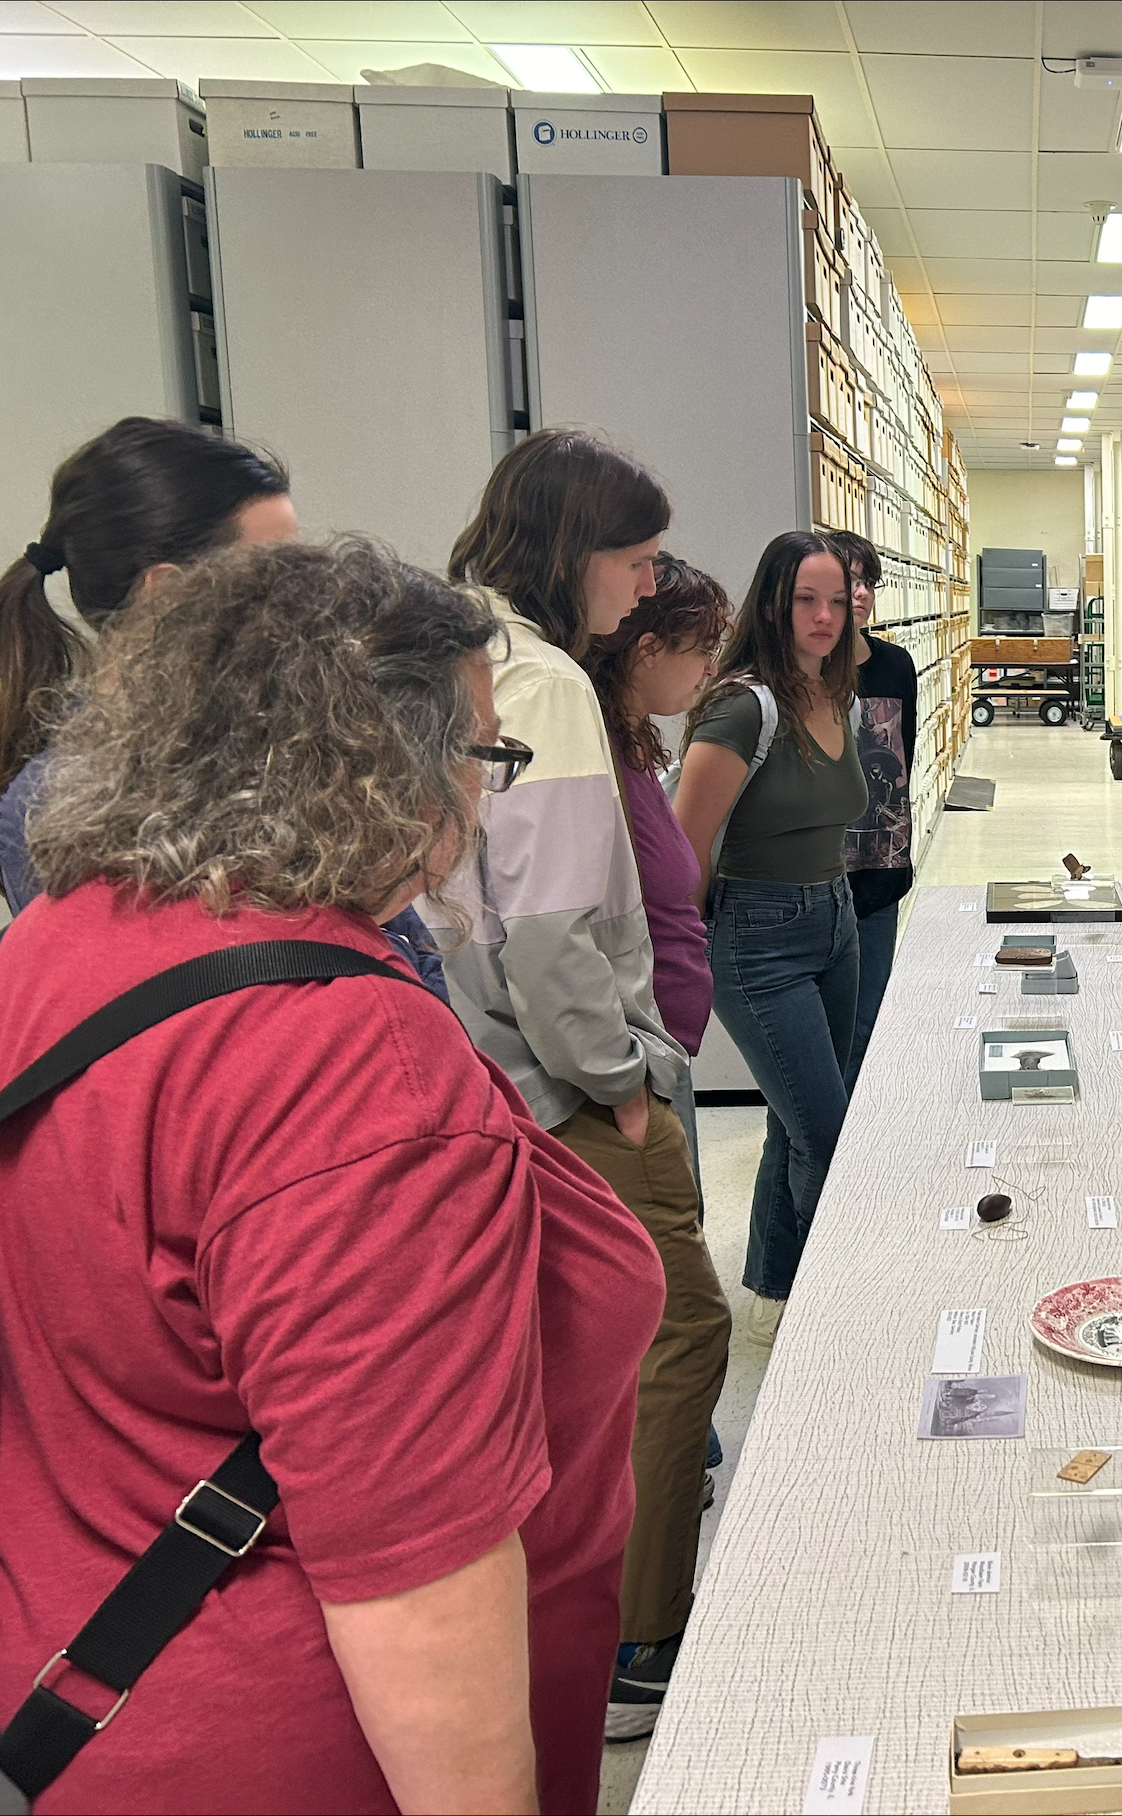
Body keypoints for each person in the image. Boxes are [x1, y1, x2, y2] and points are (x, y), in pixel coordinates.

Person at [0, 537, 663, 1814]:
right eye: (484, 754)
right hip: (300, 1746)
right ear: (389, 767)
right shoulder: (351, 1068)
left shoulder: (30, 954)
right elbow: (414, 1586)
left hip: (55, 1698)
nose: (487, 794)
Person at [424, 430, 730, 1740]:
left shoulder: (466, 655)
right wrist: (619, 1078)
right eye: (638, 556)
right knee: (679, 1337)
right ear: (577, 549)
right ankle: (639, 1641)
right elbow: (550, 924)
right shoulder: (542, 683)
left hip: (498, 1068)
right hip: (573, 1085)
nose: (648, 585)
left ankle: (591, 1624)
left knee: (578, 1353)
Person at [0, 416, 448, 997]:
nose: (308, 600)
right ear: (168, 592)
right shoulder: (56, 799)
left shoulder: (280, 735)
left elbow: (395, 936)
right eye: (274, 573)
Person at [673, 531, 865, 1349]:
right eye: (804, 601)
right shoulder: (743, 705)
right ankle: (836, 1312)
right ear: (772, 606)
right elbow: (687, 848)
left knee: (796, 1122)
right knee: (826, 1131)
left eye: (837, 599)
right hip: (760, 939)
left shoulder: (836, 694)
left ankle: (778, 1287)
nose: (824, 617)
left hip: (836, 921)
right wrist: (680, 967)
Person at [580, 553, 729, 1186]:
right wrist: (624, 1084)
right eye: (700, 650)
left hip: (662, 1049)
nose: (710, 669)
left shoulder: (635, 747)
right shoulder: (599, 758)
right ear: (647, 650)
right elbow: (560, 934)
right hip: (636, 1064)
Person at [822, 529, 919, 1094]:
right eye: (847, 581)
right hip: (813, 882)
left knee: (865, 1027)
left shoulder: (895, 664)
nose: (860, 593)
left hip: (878, 875)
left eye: (868, 583)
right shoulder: (798, 673)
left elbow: (901, 760)